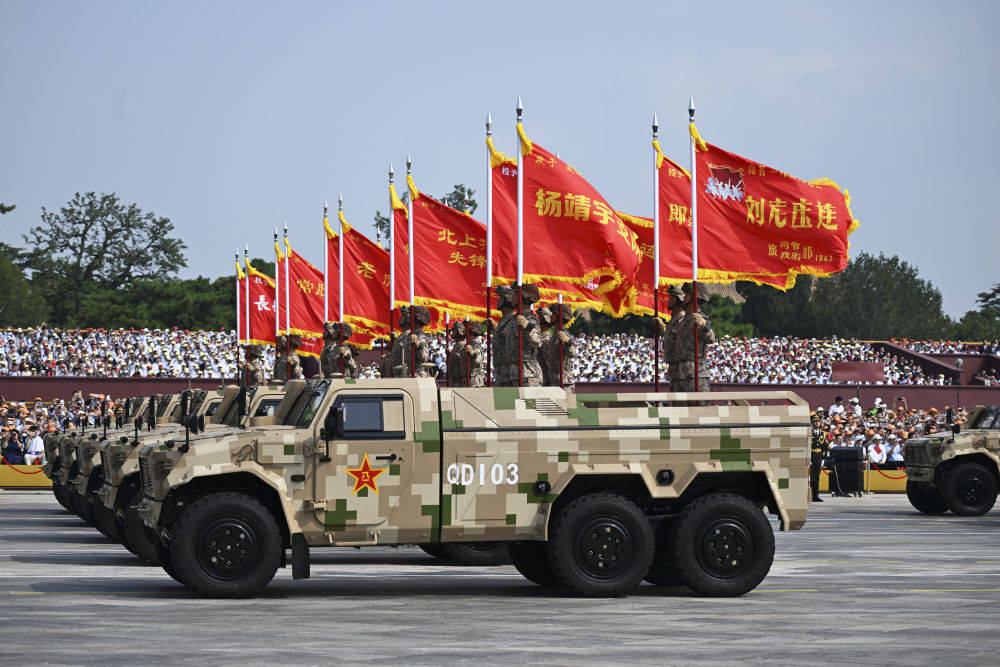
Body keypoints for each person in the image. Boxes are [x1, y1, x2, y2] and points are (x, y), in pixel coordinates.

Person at [492, 284, 543, 387]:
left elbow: (538, 342)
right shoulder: (514, 319)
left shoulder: (530, 318)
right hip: (515, 373)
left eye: (516, 296)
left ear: (523, 298)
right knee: (515, 403)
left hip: (528, 373)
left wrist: (528, 327)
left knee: (529, 403)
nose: (513, 298)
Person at [671, 282, 715, 393]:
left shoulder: (700, 318)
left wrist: (704, 325)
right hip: (682, 373)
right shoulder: (685, 320)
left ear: (695, 298)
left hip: (696, 373)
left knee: (697, 409)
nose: (684, 297)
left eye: (687, 295)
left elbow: (711, 338)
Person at [656, 285, 685, 389]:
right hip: (675, 369)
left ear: (679, 301)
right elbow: (670, 338)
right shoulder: (675, 319)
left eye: (672, 298)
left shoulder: (682, 319)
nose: (669, 300)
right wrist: (661, 326)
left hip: (682, 371)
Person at [540, 302, 576, 387]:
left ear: (559, 316)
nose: (550, 316)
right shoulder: (555, 334)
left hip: (564, 380)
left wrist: (568, 342)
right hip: (553, 378)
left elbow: (573, 353)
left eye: (553, 314)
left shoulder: (564, 334)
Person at [390, 305, 432, 377]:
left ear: (416, 318)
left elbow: (424, 358)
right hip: (405, 374)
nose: (408, 316)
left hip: (415, 375)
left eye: (410, 315)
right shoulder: (409, 335)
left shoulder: (420, 336)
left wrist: (418, 345)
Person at [810, 412, 825, 502]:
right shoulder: (809, 432)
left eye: (818, 421)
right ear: (812, 423)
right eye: (815, 421)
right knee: (810, 477)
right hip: (811, 456)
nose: (817, 423)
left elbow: (823, 448)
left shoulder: (823, 434)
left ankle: (816, 496)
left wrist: (823, 459)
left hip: (819, 457)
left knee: (816, 477)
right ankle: (810, 495)